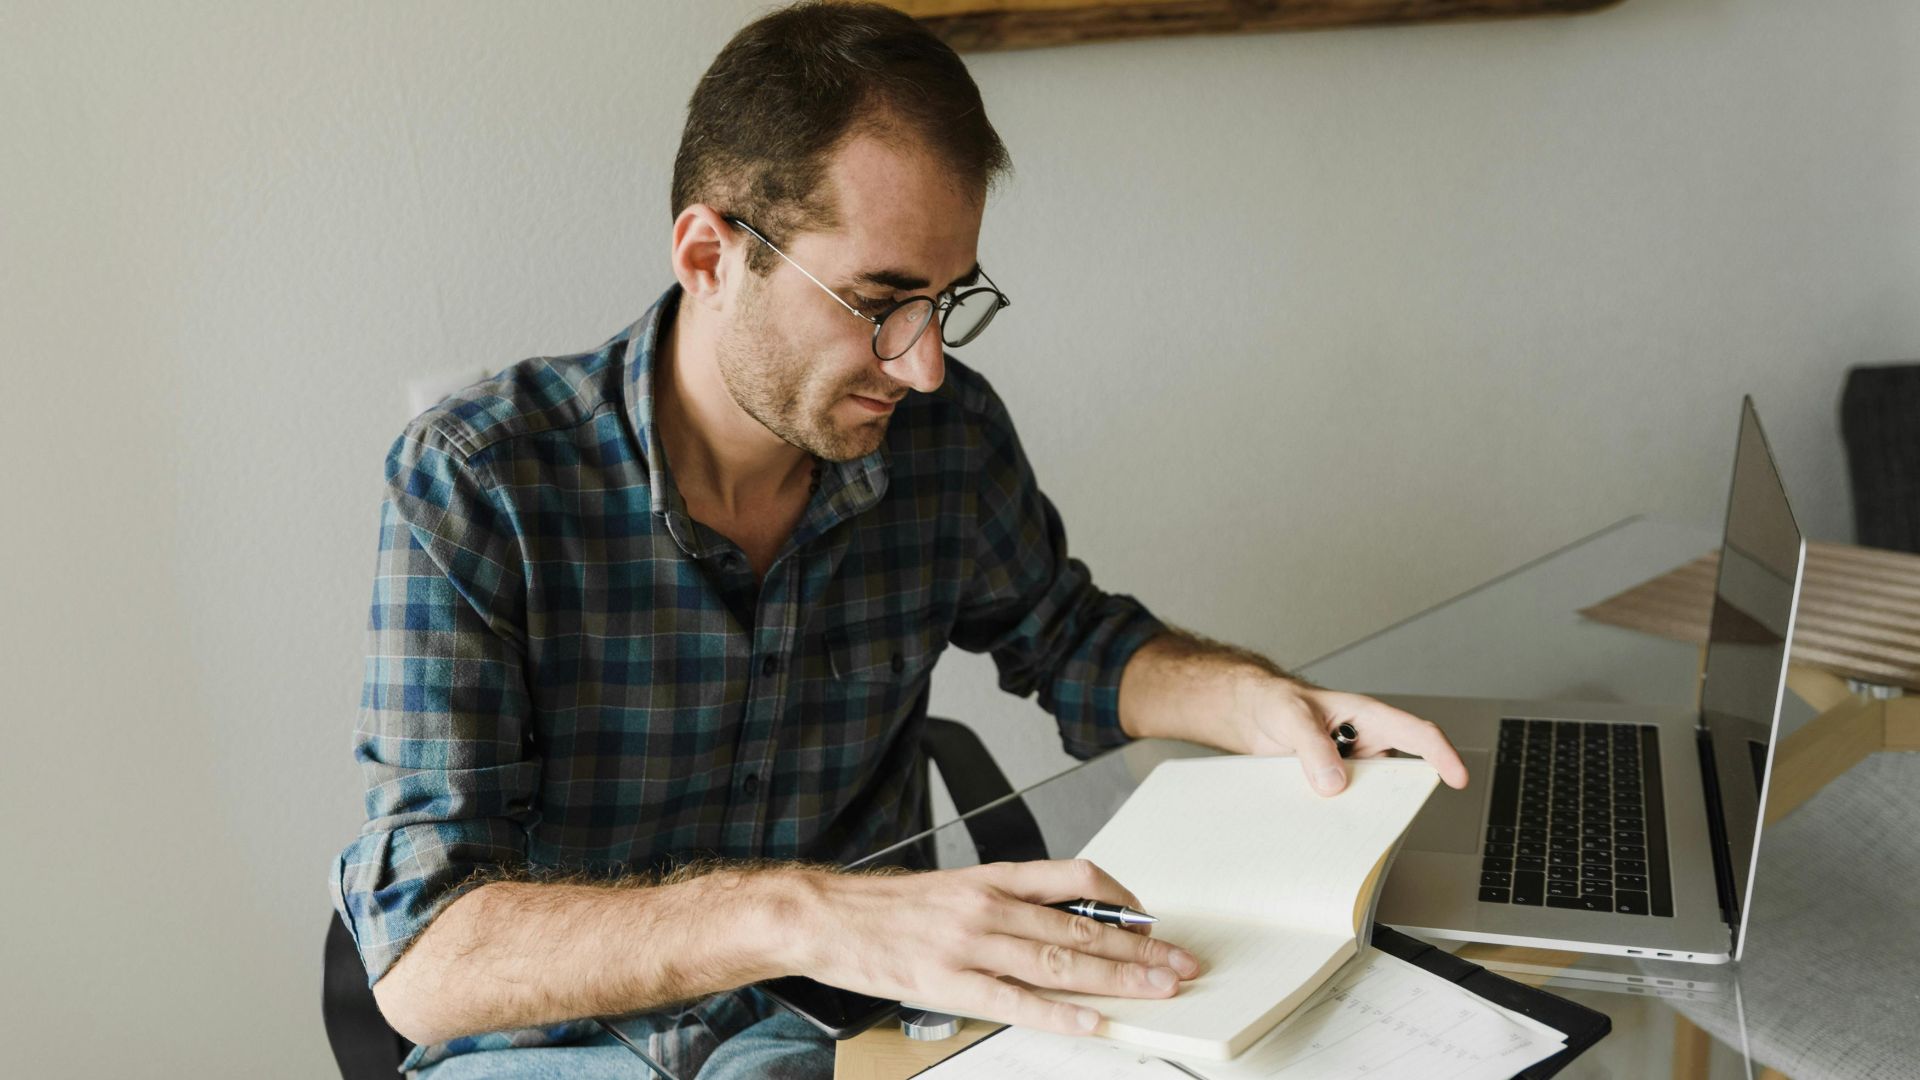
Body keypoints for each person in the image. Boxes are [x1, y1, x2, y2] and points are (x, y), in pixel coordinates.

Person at [330, 4, 1470, 1077]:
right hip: (566, 1042)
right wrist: (802, 914)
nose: (922, 363)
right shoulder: (483, 481)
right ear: (710, 257)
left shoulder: (944, 435)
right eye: (879, 303)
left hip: (868, 1034)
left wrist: (1265, 705)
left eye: (947, 298)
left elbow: (1070, 639)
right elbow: (426, 957)